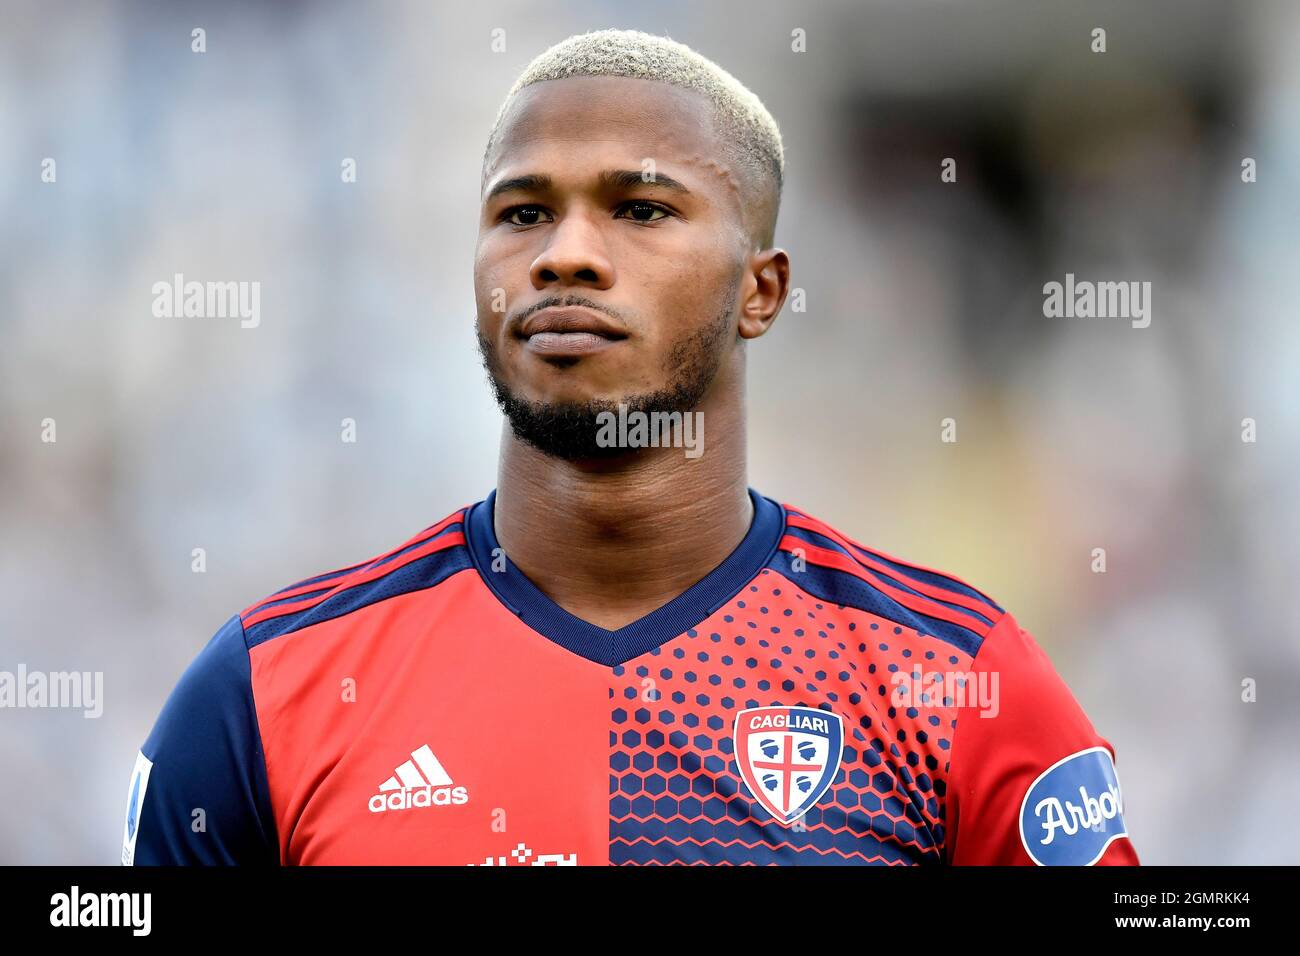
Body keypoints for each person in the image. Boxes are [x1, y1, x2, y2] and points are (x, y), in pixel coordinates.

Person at [123, 28, 1137, 866]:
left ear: (761, 289)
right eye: (522, 213)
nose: (563, 251)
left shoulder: (959, 682)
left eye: (640, 208)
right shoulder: (267, 692)